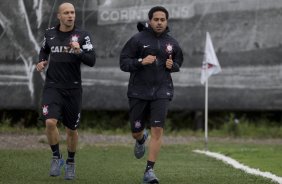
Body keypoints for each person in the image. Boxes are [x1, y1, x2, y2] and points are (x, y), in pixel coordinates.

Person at [120, 6, 183, 184]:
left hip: (162, 92)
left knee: (157, 130)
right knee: (136, 131)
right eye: (156, 19)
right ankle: (140, 140)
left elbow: (178, 62)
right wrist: (141, 61)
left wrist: (173, 66)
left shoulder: (172, 43)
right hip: (138, 92)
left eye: (162, 20)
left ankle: (149, 171)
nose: (159, 22)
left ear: (167, 22)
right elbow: (123, 63)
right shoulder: (137, 40)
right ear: (150, 21)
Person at [36, 2, 96, 180]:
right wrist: (41, 61)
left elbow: (92, 60)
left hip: (73, 88)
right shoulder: (49, 34)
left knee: (71, 130)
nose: (70, 15)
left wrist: (79, 52)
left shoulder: (83, 36)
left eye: (73, 12)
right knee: (49, 122)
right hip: (53, 86)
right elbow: (43, 50)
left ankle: (70, 162)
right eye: (67, 13)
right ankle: (56, 156)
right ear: (59, 16)